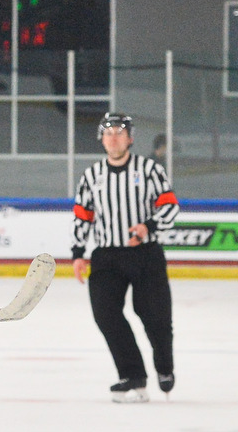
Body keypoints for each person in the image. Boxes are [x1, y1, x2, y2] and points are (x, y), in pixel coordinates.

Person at [71, 112, 179, 399]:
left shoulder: (149, 170)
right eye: (108, 133)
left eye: (119, 132)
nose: (113, 137)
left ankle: (164, 366)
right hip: (106, 257)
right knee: (105, 314)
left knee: (156, 318)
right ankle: (132, 375)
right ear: (101, 139)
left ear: (129, 138)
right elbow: (83, 215)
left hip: (145, 255)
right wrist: (79, 253)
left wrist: (148, 227)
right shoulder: (92, 176)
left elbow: (169, 207)